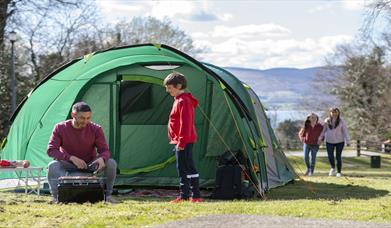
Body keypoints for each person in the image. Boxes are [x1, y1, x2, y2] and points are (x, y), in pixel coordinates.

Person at [47, 102, 118, 203]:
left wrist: (102, 159)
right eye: (82, 118)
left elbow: (104, 150)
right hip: (69, 164)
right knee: (52, 165)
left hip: (90, 164)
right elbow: (51, 150)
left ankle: (108, 196)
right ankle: (56, 197)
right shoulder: (60, 128)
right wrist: (71, 158)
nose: (86, 121)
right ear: (73, 115)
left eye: (88, 118)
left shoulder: (96, 129)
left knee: (111, 163)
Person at [164, 72, 203, 203]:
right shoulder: (178, 100)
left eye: (170, 88)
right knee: (182, 167)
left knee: (187, 167)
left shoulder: (184, 101)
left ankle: (195, 195)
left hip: (184, 141)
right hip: (181, 141)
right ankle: (185, 196)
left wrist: (181, 142)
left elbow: (185, 123)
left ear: (179, 86)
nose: (168, 90)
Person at [318, 107, 350, 177]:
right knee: (330, 156)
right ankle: (332, 168)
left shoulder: (341, 121)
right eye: (332, 112)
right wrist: (320, 138)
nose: (334, 113)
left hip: (340, 141)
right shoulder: (327, 121)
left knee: (338, 157)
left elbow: (345, 131)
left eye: (335, 112)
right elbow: (323, 130)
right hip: (329, 141)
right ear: (330, 113)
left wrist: (348, 140)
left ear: (338, 113)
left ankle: (339, 172)